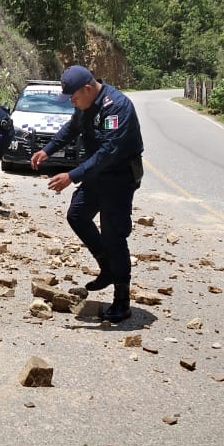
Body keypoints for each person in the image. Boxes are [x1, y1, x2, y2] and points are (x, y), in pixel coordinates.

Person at [30, 65, 144, 321]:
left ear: (88, 89)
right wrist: (47, 150)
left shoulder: (117, 107)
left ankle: (122, 301)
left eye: (74, 97)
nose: (72, 102)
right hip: (97, 174)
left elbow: (108, 154)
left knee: (114, 234)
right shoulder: (85, 104)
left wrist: (72, 176)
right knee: (77, 214)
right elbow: (72, 128)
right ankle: (107, 266)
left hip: (118, 177)